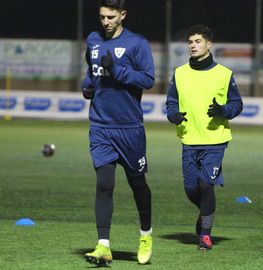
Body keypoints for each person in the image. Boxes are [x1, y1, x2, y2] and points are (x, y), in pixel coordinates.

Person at [82, 0, 155, 265]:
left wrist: (118, 70)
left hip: (130, 129)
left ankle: (146, 234)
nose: (105, 22)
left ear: (122, 15)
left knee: (138, 185)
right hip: (100, 126)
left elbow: (148, 79)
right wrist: (87, 85)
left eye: (111, 17)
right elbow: (91, 73)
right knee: (104, 185)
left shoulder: (137, 43)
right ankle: (103, 245)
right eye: (102, 16)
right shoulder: (92, 40)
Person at [166, 24, 243, 250]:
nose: (193, 45)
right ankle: (204, 212)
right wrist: (173, 115)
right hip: (189, 139)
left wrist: (223, 111)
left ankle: (205, 235)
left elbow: (237, 104)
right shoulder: (179, 73)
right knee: (191, 189)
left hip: (215, 139)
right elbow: (171, 102)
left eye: (197, 41)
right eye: (190, 42)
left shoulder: (224, 74)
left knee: (206, 185)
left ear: (209, 45)